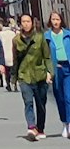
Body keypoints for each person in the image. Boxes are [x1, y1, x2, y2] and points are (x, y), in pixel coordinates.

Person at [12, 11, 53, 137]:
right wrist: (13, 78)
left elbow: (47, 57)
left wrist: (50, 72)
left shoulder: (40, 38)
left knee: (41, 104)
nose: (26, 24)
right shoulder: (16, 40)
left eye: (28, 21)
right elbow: (15, 60)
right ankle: (31, 127)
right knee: (28, 102)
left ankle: (40, 129)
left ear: (32, 23)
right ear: (20, 24)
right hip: (24, 76)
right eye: (23, 22)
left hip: (39, 75)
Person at [45, 8, 70, 137]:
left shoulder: (67, 34)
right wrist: (48, 71)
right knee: (59, 97)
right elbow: (45, 55)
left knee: (68, 97)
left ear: (61, 21)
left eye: (58, 19)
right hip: (56, 69)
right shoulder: (47, 37)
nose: (55, 22)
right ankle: (65, 123)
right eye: (53, 19)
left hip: (68, 68)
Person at [0, 17, 15, 91]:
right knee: (13, 71)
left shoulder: (0, 34)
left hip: (4, 54)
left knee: (6, 72)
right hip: (12, 53)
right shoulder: (13, 33)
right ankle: (14, 84)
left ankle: (8, 84)